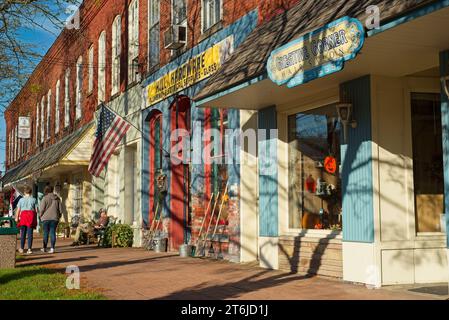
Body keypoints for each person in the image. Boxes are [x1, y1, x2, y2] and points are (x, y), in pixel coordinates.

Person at [39, 185, 63, 254]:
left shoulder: (45, 198)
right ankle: (52, 248)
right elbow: (60, 210)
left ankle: (44, 248)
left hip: (45, 218)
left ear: (46, 190)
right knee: (53, 233)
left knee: (46, 233)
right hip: (55, 218)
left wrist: (40, 216)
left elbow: (42, 209)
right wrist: (59, 216)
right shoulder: (57, 199)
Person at [15, 185, 38, 254]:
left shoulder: (21, 200)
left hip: (23, 217)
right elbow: (36, 210)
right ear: (31, 192)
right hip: (30, 217)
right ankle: (29, 249)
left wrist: (16, 217)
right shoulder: (34, 199)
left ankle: (22, 248)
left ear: (24, 192)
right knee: (30, 234)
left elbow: (18, 210)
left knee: (23, 233)